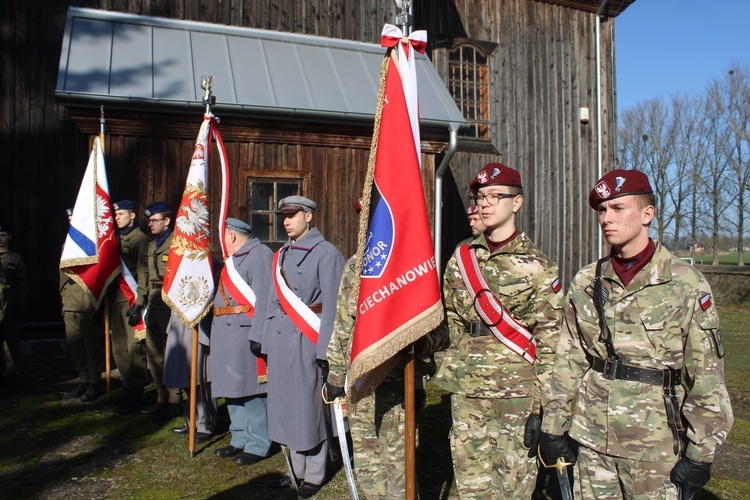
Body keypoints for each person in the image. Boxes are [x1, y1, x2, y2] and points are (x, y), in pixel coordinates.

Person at [539, 169, 734, 499]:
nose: (606, 219)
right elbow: (568, 358)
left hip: (655, 445)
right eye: (602, 210)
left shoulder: (685, 283)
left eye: (618, 208)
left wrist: (701, 452)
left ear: (647, 214)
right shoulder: (588, 281)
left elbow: (705, 375)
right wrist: (553, 426)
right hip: (593, 438)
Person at [433, 163, 564, 498]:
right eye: (480, 197)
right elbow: (451, 322)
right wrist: (453, 368)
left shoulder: (538, 266)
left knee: (513, 488)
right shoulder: (461, 256)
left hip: (516, 398)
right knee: (470, 488)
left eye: (495, 196)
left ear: (516, 203)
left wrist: (541, 407)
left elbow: (551, 342)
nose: (485, 204)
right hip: (468, 395)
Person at [326, 200, 449, 499]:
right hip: (360, 382)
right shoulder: (355, 266)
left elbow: (440, 333)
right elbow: (343, 324)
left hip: (397, 387)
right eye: (365, 218)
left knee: (399, 465)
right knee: (367, 463)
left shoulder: (415, 269)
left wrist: (416, 344)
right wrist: (335, 372)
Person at [262, 195, 345, 498]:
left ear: (309, 217)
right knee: (285, 406)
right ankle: (295, 470)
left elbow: (335, 307)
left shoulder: (327, 254)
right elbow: (273, 301)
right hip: (282, 337)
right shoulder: (282, 253)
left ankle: (314, 472)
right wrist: (266, 338)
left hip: (309, 338)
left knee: (307, 407)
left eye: (293, 215)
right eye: (283, 215)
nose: (286, 221)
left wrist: (325, 352)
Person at [209, 218, 273, 465]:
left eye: (223, 234)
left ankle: (258, 443)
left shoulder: (259, 255)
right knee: (231, 389)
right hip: (225, 333)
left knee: (251, 391)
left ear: (232, 236)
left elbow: (265, 299)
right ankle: (239, 438)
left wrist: (258, 334)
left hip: (245, 331)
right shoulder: (232, 260)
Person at [134, 202, 180, 421]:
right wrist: (138, 301)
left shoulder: (176, 243)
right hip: (153, 299)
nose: (150, 224)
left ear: (167, 221)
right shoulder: (151, 244)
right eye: (149, 220)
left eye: (155, 220)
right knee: (153, 352)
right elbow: (144, 273)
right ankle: (161, 396)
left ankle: (174, 398)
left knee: (170, 350)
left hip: (170, 301)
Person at [108, 200, 150, 410]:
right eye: (116, 215)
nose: (117, 218)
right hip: (116, 299)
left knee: (134, 348)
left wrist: (139, 302)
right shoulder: (114, 238)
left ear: (132, 216)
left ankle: (137, 389)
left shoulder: (140, 239)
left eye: (122, 214)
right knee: (118, 347)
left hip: (132, 299)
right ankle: (126, 386)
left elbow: (143, 273)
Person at [59, 212, 104, 402]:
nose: (71, 221)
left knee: (91, 345)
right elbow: (62, 275)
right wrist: (63, 300)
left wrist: (98, 303)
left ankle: (94, 381)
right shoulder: (67, 243)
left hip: (87, 302)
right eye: (69, 219)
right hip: (70, 302)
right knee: (75, 345)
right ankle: (83, 379)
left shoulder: (94, 243)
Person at [163, 311, 216, 443]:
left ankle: (205, 423)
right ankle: (192, 421)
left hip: (198, 320)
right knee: (184, 373)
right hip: (179, 319)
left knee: (202, 374)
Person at [0, 223, 29, 387]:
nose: (0, 239)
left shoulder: (15, 258)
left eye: (3, 235)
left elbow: (22, 284)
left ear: (9, 237)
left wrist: (20, 307)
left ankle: (11, 375)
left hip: (10, 308)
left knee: (9, 343)